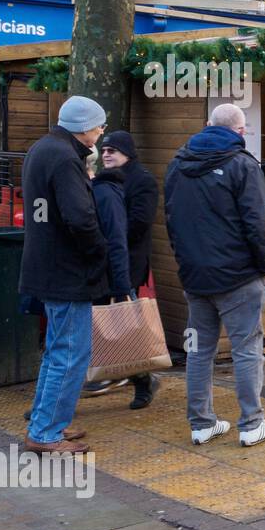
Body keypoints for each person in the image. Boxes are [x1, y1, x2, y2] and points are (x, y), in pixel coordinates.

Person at [165, 104, 265, 447]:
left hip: (195, 276)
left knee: (198, 350)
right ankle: (251, 424)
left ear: (206, 125)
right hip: (239, 276)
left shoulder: (177, 165)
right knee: (246, 349)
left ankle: (201, 424)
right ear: (240, 132)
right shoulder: (243, 165)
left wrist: (185, 262)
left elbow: (171, 220)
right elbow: (258, 224)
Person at [20, 96, 109, 454]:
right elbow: (79, 218)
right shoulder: (64, 157)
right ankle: (45, 433)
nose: (102, 130)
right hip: (67, 271)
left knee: (58, 350)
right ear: (84, 127)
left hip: (47, 266)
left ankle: (49, 421)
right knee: (70, 354)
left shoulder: (42, 148)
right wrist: (99, 251)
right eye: (99, 124)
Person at [89, 130, 159, 409]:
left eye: (113, 150)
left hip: (126, 263)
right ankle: (108, 372)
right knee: (102, 323)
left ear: (127, 152)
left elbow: (140, 223)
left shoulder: (142, 180)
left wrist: (109, 235)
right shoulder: (101, 181)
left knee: (127, 326)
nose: (106, 154)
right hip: (102, 264)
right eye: (104, 150)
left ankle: (143, 380)